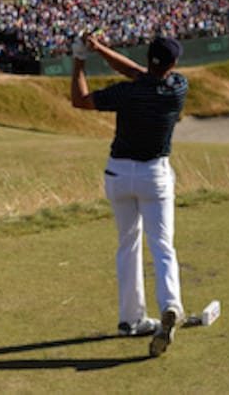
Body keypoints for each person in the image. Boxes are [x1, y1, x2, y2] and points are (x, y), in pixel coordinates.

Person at [70, 33, 188, 358]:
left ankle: (131, 319)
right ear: (172, 65)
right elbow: (140, 72)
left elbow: (80, 100)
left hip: (119, 175)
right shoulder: (178, 88)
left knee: (128, 245)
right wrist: (100, 49)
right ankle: (171, 306)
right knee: (163, 246)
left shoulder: (128, 91)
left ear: (149, 58)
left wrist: (81, 59)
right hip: (155, 177)